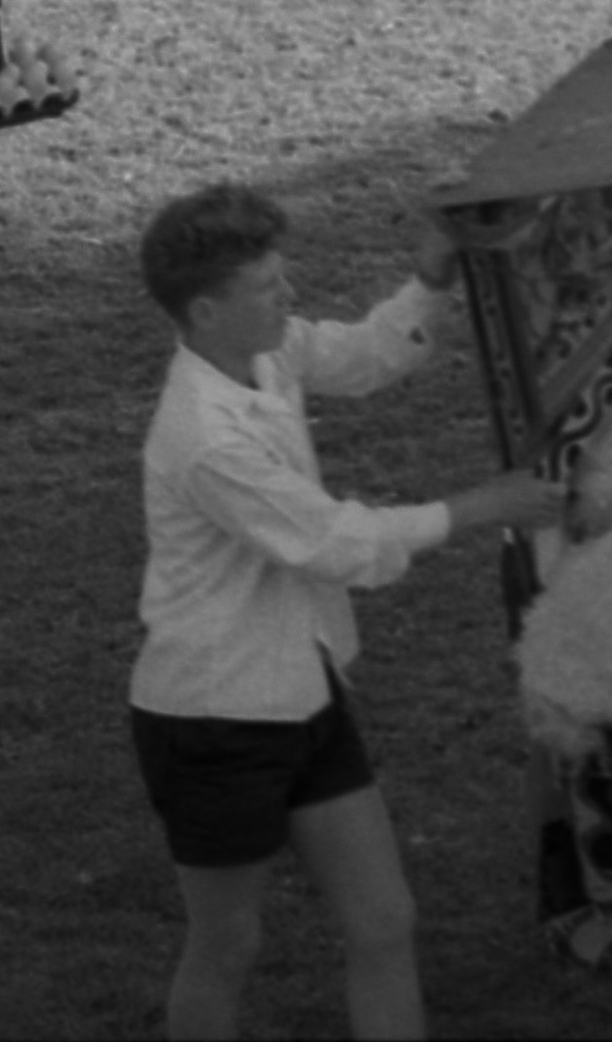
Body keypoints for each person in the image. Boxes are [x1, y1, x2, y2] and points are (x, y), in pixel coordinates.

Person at [126, 189, 567, 1041]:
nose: (287, 297)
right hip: (214, 719)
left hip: (303, 689)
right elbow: (333, 543)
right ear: (206, 310)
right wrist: (479, 507)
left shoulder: (266, 352)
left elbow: (364, 356)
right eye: (266, 286)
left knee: (383, 922)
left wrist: (432, 273)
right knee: (228, 944)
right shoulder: (205, 438)